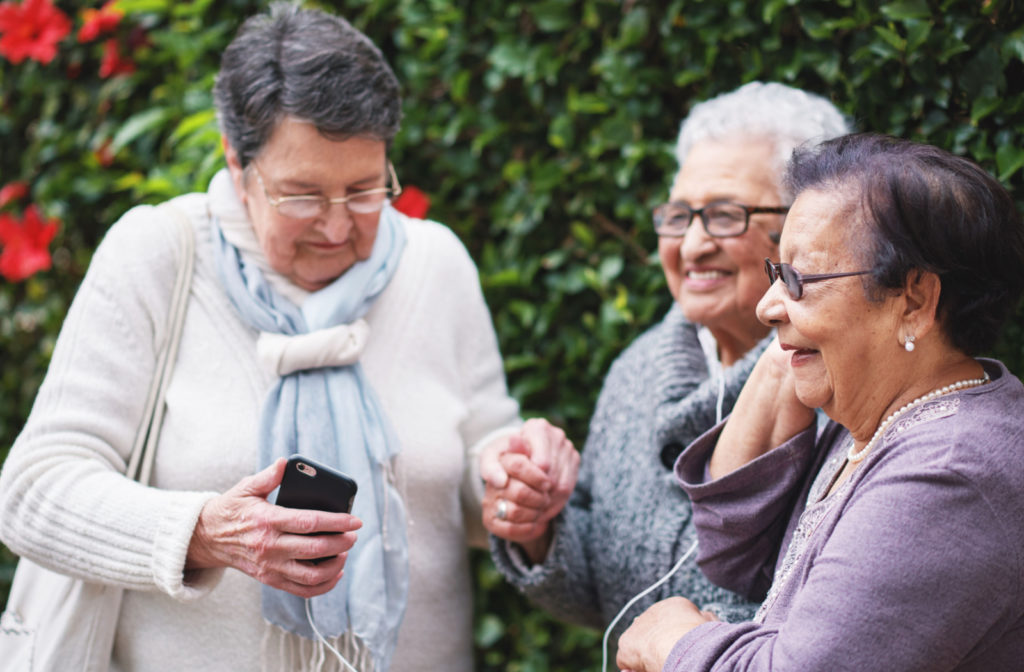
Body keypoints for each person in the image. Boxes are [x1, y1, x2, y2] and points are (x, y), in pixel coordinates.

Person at [0, 4, 551, 671]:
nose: (338, 225)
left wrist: (512, 478)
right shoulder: (158, 255)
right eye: (303, 195)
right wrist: (203, 533)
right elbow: (33, 490)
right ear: (238, 164)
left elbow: (474, 467)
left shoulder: (436, 265)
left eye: (365, 189)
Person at [616, 133, 1024, 671]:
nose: (768, 307)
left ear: (915, 300)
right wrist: (777, 365)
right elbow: (736, 557)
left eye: (801, 278)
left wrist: (673, 641)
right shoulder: (871, 418)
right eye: (776, 274)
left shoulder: (951, 471)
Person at [480, 82, 852, 648]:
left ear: (807, 226)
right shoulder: (640, 370)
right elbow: (603, 595)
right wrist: (539, 528)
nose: (693, 244)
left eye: (726, 215)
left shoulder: (844, 388)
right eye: (679, 215)